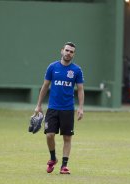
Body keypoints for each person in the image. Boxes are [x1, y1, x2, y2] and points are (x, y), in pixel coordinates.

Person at [34, 42, 84, 174]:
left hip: (68, 109)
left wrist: (80, 107)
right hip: (53, 108)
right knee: (49, 135)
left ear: (74, 54)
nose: (68, 53)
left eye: (71, 51)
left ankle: (64, 166)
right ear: (62, 51)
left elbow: (80, 89)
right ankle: (52, 158)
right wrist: (38, 105)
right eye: (67, 50)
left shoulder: (76, 70)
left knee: (67, 138)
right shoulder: (52, 67)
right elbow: (45, 86)